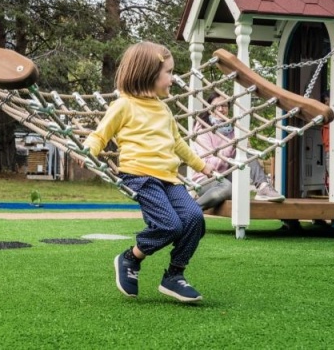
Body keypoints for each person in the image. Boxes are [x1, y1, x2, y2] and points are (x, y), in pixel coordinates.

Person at [83, 41, 214, 303]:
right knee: (169, 225)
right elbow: (101, 134)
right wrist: (88, 150)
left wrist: (201, 165)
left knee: (194, 219)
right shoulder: (124, 105)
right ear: (148, 73)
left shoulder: (164, 109)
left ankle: (174, 276)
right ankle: (131, 258)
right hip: (139, 176)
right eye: (168, 72)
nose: (173, 79)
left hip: (168, 178)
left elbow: (177, 143)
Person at [191, 91, 285, 209]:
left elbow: (240, 155)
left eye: (224, 105)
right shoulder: (202, 131)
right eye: (216, 106)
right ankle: (192, 208)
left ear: (228, 109)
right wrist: (234, 145)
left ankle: (263, 187)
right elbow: (210, 163)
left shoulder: (234, 130)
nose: (221, 109)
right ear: (209, 109)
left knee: (246, 150)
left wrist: (244, 146)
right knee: (227, 188)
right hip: (207, 179)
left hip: (226, 176)